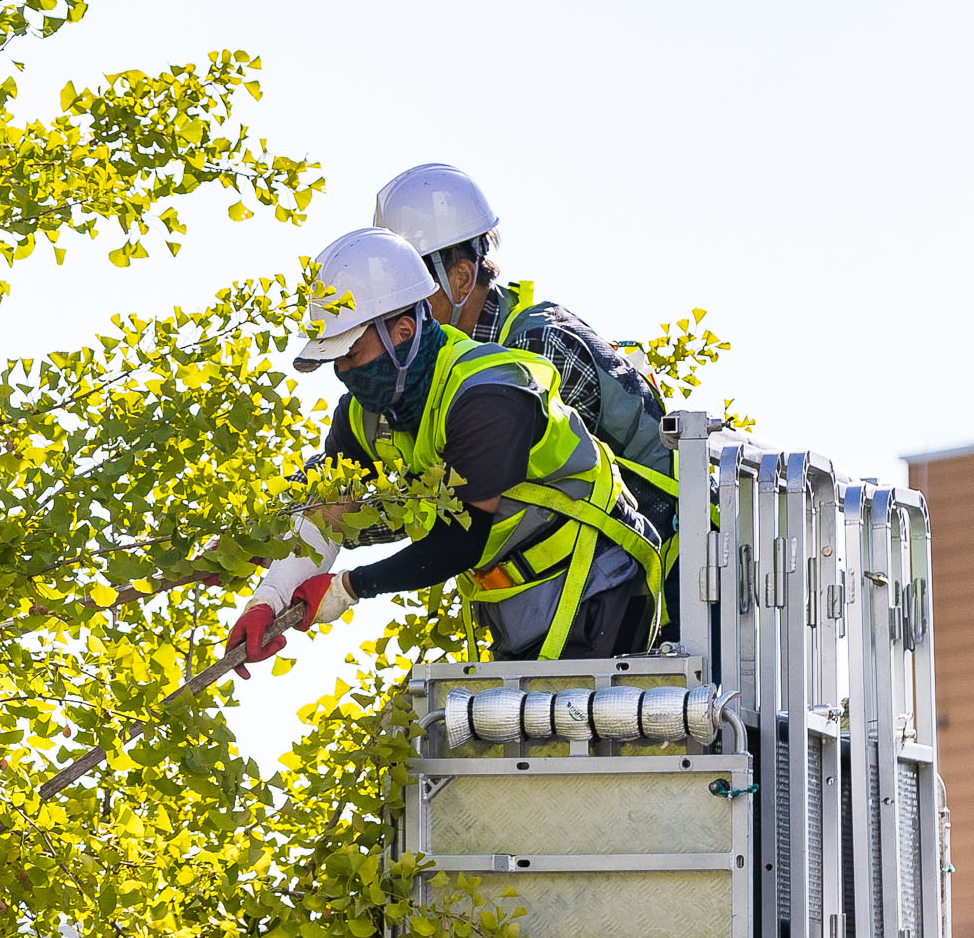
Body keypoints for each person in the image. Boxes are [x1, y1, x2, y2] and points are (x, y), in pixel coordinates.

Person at [227, 227, 665, 666]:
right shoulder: (363, 416)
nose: (343, 371)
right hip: (520, 604)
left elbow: (460, 540)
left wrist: (350, 587)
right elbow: (327, 515)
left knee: (560, 726)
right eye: (333, 359)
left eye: (352, 353)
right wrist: (268, 600)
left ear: (401, 331)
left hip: (601, 582)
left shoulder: (486, 394)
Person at [372, 162, 677, 533]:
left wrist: (353, 525)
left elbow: (474, 496)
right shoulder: (448, 366)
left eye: (412, 284)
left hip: (669, 567)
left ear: (461, 277)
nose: (395, 304)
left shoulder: (536, 349)